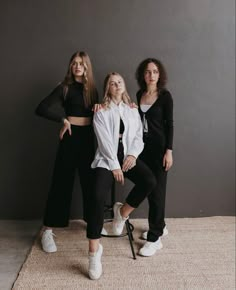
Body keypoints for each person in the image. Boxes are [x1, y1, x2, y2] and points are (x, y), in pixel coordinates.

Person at [86, 72, 156, 280]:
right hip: (107, 160)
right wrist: (115, 166)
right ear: (107, 88)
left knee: (149, 181)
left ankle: (122, 212)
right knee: (97, 197)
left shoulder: (131, 110)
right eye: (112, 83)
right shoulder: (100, 111)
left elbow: (137, 136)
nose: (116, 85)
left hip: (126, 157)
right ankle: (94, 252)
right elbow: (104, 142)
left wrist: (133, 155)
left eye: (119, 82)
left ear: (124, 86)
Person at [35, 51, 98, 253]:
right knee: (61, 183)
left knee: (90, 183)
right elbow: (41, 108)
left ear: (87, 66)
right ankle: (47, 230)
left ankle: (93, 224)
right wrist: (63, 120)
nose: (77, 66)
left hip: (89, 140)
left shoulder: (93, 90)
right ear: (70, 66)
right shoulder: (64, 88)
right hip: (70, 139)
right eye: (74, 63)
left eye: (81, 63)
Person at [135, 58, 174, 256]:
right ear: (143, 75)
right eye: (148, 72)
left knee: (158, 193)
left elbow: (170, 125)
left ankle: (154, 238)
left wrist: (169, 150)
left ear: (160, 75)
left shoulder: (165, 96)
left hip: (160, 151)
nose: (151, 75)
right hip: (142, 149)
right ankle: (161, 226)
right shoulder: (139, 94)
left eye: (155, 71)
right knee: (150, 189)